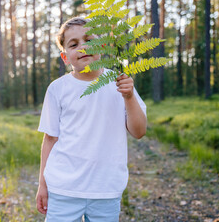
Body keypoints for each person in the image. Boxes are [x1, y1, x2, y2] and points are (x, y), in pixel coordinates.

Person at [36, 17, 147, 222]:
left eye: (89, 40)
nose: (83, 47)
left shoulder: (120, 82)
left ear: (103, 46)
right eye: (74, 44)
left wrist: (129, 96)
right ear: (65, 57)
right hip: (63, 189)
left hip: (106, 190)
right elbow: (50, 139)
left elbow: (139, 131)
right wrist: (42, 185)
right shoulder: (57, 89)